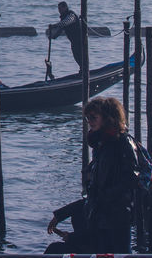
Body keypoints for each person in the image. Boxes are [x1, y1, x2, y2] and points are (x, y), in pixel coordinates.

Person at [46, 96, 138, 254]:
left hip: (117, 216)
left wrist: (106, 197)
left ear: (107, 118)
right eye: (88, 119)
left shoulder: (123, 142)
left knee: (120, 253)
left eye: (94, 118)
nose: (90, 122)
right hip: (101, 215)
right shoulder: (101, 144)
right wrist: (60, 214)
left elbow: (132, 177)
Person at [46, 1, 86, 67]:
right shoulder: (63, 17)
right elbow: (60, 29)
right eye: (58, 9)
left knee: (80, 57)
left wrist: (54, 25)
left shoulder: (71, 15)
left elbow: (66, 22)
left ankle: (84, 71)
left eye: (60, 9)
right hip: (73, 41)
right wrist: (53, 37)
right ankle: (82, 70)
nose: (59, 11)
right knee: (76, 57)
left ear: (65, 7)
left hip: (80, 40)